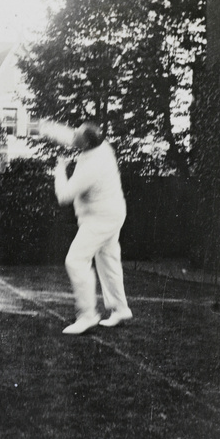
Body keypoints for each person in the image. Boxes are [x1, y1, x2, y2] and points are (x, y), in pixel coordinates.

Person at [34, 119, 132, 335]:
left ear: (86, 144)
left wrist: (60, 169)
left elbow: (64, 196)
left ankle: (87, 315)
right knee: (108, 260)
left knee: (76, 260)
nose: (73, 135)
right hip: (113, 213)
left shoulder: (92, 167)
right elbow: (69, 135)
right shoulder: (100, 145)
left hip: (101, 218)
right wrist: (39, 126)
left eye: (78, 134)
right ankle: (121, 309)